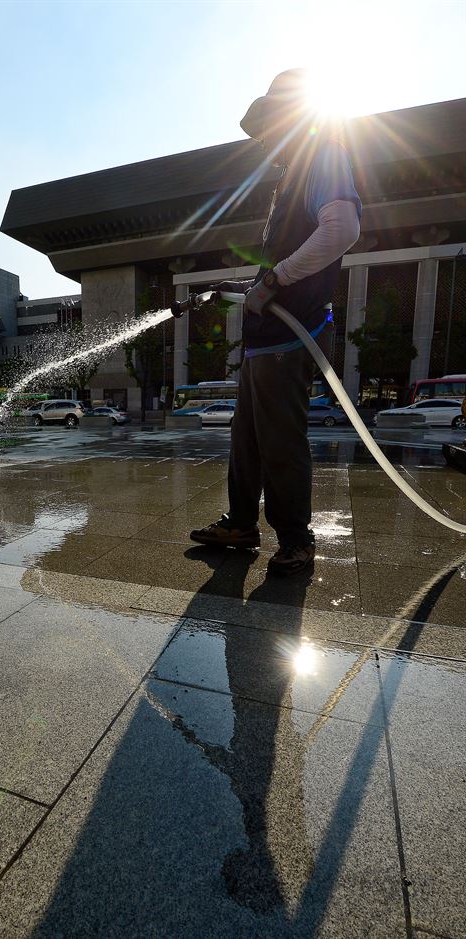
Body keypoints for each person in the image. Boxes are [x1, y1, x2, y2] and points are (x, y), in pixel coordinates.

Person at [190, 69, 362, 576]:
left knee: (281, 442)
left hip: (293, 335)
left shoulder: (324, 158)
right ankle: (241, 524)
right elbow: (287, 259)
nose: (264, 138)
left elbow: (342, 230)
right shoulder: (295, 174)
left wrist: (275, 280)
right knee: (247, 439)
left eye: (268, 124)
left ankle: (295, 539)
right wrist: (256, 286)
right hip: (267, 341)